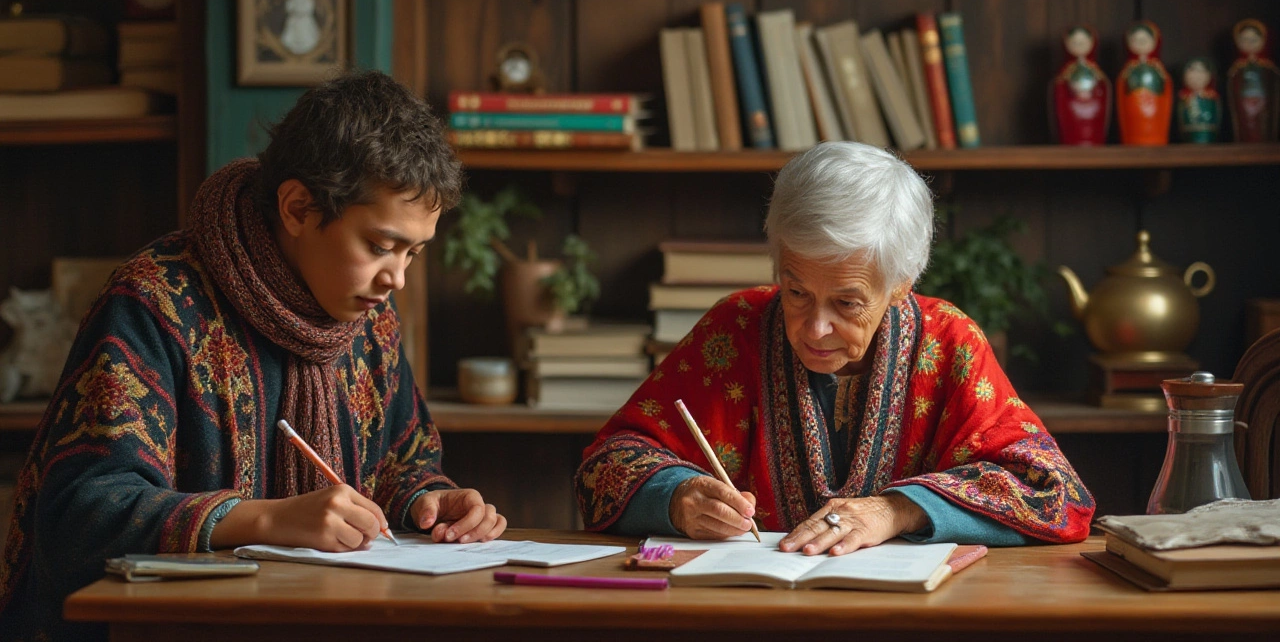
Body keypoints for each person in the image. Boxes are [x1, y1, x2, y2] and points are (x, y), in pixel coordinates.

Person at [0, 71, 506, 641]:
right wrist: (266, 519)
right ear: (296, 209)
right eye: (380, 246)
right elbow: (80, 516)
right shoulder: (155, 304)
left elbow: (399, 460)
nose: (398, 278)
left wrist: (430, 502)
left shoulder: (368, 318)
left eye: (414, 253)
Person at [576, 142, 1094, 555]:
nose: (815, 328)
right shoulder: (735, 328)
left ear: (901, 283)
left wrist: (897, 510)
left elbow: (1055, 495)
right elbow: (604, 467)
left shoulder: (949, 342)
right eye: (796, 291)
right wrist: (677, 499)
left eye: (847, 303)